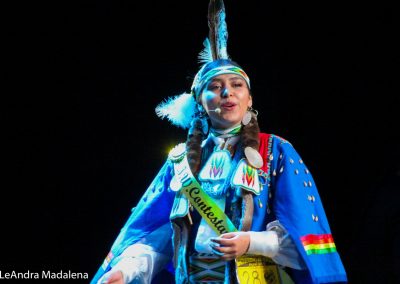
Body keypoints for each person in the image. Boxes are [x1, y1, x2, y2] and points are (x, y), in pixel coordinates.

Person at [91, 1, 347, 283]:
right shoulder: (179, 161)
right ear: (199, 103)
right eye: (214, 87)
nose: (227, 92)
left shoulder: (276, 151)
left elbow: (305, 236)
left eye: (237, 85)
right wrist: (126, 271)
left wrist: (253, 242)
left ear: (249, 99)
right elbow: (160, 233)